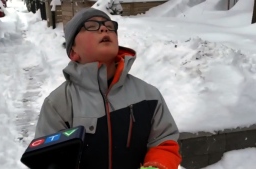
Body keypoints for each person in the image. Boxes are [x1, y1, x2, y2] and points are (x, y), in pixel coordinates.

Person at [34, 8, 181, 169]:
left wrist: (157, 166)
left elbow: (164, 141)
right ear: (73, 51)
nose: (104, 28)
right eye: (90, 26)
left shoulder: (149, 95)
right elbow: (48, 161)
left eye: (110, 26)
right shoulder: (58, 104)